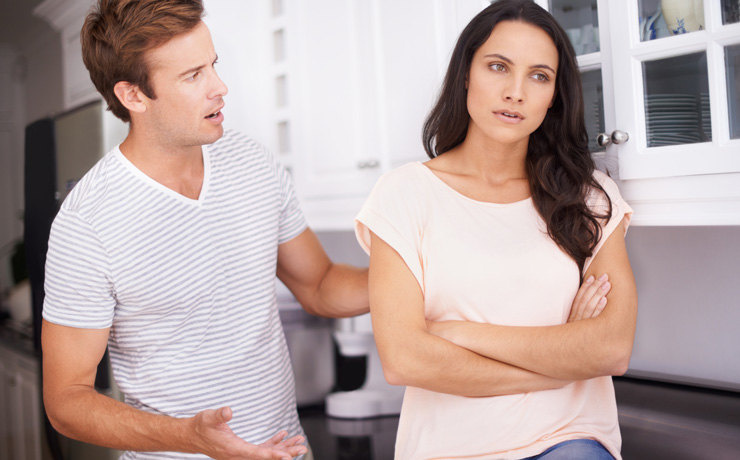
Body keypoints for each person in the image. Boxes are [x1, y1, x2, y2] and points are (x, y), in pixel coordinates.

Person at [41, 1, 368, 459]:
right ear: (133, 96)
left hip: (289, 452)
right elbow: (67, 402)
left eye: (213, 65)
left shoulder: (251, 163)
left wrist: (421, 273)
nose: (220, 87)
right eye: (193, 75)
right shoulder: (87, 223)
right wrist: (190, 437)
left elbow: (319, 285)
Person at [355, 0, 637, 459]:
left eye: (539, 76)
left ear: (554, 96)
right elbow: (405, 359)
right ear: (466, 73)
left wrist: (457, 333)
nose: (515, 92)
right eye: (498, 67)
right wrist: (562, 366)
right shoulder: (404, 194)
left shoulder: (588, 197)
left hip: (569, 440)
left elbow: (610, 349)